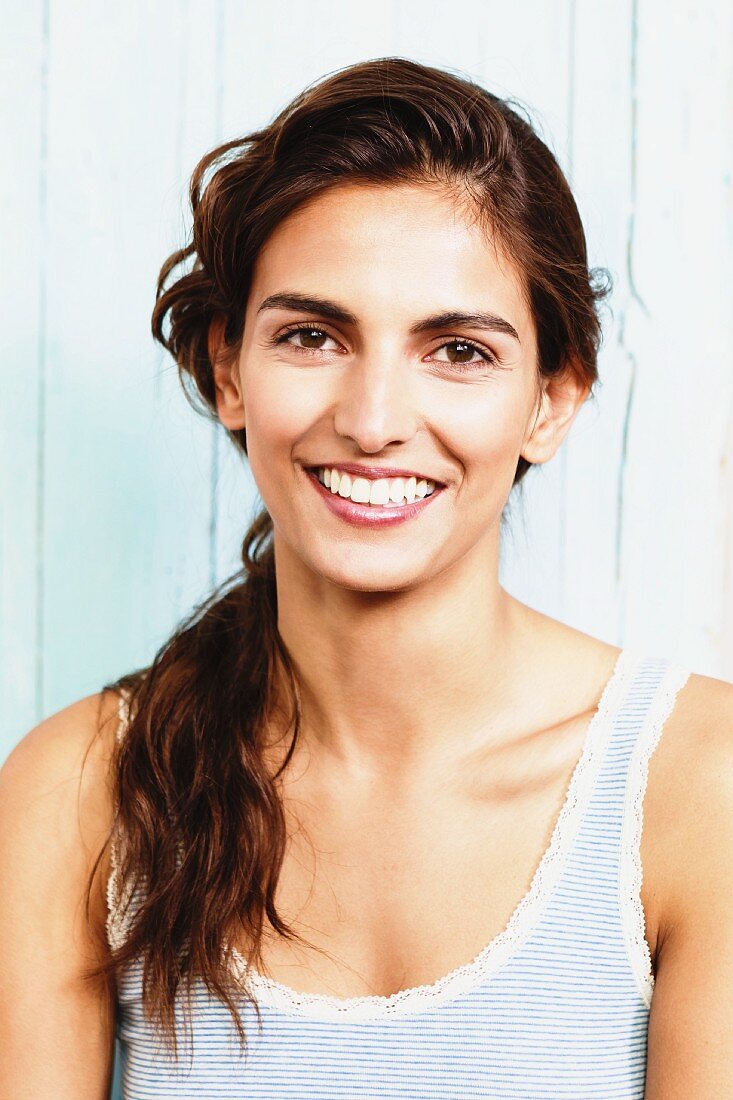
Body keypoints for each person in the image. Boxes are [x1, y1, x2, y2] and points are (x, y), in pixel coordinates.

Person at [1, 56, 731, 1100]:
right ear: (226, 367)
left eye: (460, 351)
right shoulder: (77, 793)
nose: (374, 415)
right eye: (311, 335)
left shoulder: (699, 789)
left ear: (553, 397)